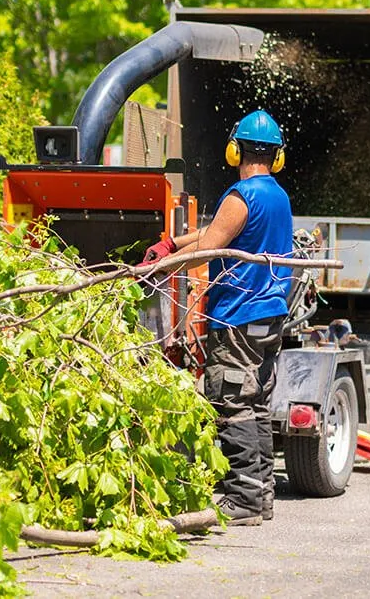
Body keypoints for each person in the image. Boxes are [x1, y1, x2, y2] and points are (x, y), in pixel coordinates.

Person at [142, 110, 293, 525]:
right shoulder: (276, 196)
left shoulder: (242, 196)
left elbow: (208, 248)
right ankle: (261, 497)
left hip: (238, 317)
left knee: (231, 400)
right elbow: (219, 232)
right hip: (269, 314)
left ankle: (242, 500)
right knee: (256, 402)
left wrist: (154, 270)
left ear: (235, 150)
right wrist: (171, 242)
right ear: (275, 157)